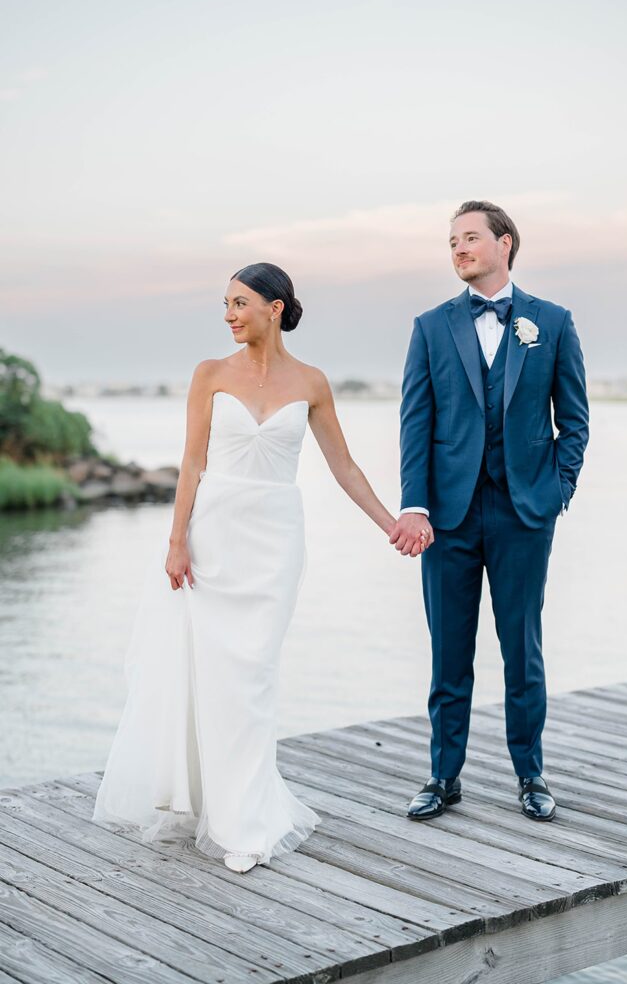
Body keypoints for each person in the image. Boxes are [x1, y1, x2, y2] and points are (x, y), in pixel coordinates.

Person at [92, 261, 413, 873]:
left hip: (275, 542)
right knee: (210, 674)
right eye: (226, 304)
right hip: (213, 536)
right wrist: (176, 541)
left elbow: (343, 466)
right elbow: (191, 463)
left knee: (253, 676)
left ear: (275, 307)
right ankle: (211, 804)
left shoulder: (312, 382)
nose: (229, 315)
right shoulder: (210, 374)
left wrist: (390, 522)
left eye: (239, 303)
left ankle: (245, 820)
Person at [390, 200, 589, 823]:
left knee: (522, 649)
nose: (458, 249)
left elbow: (574, 421)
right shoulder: (430, 326)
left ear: (505, 244)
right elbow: (415, 423)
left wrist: (557, 491)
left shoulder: (552, 322)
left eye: (470, 238)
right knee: (448, 651)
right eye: (452, 241)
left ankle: (531, 774)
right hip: (446, 516)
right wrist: (415, 505)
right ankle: (443, 776)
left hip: (525, 512)